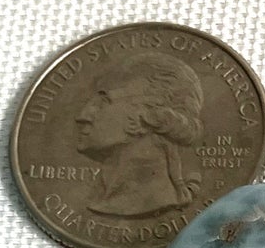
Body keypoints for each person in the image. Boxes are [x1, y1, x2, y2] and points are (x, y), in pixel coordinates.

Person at [73, 53, 205, 218]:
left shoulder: (154, 201)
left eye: (103, 102)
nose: (82, 116)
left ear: (145, 116)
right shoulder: (102, 199)